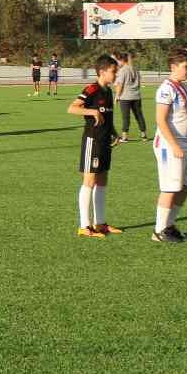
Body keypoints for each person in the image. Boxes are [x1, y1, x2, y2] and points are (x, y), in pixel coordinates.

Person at [151, 48, 187, 244]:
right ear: (173, 67)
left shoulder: (182, 87)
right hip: (168, 144)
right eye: (186, 67)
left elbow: (184, 119)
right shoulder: (166, 88)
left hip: (182, 143)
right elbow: (161, 120)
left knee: (186, 185)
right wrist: (174, 145)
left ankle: (168, 225)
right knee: (170, 187)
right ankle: (159, 230)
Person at [68, 54, 120, 239]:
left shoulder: (108, 91)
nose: (116, 75)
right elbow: (72, 108)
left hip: (105, 142)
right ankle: (84, 226)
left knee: (102, 181)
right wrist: (91, 111)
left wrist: (114, 132)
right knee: (89, 181)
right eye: (114, 71)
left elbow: (107, 115)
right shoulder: (92, 89)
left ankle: (100, 223)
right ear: (103, 71)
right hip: (93, 141)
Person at [114, 51, 148, 142]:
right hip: (136, 96)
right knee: (139, 115)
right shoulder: (135, 69)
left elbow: (120, 84)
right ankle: (144, 135)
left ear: (121, 60)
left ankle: (124, 137)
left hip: (125, 97)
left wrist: (117, 96)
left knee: (126, 117)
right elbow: (139, 83)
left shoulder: (122, 71)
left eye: (118, 60)